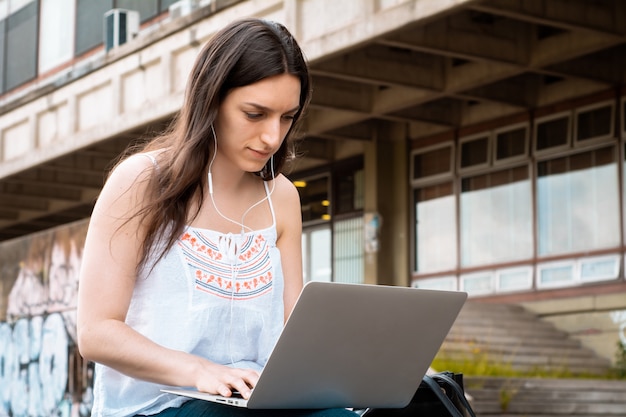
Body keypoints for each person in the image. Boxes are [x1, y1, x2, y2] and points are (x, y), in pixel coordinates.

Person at [76, 18, 359, 417]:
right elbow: (96, 332)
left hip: (256, 402)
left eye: (287, 117)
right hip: (161, 405)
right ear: (211, 100)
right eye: (255, 114)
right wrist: (198, 370)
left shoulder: (281, 198)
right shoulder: (140, 182)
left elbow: (292, 334)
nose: (273, 138)